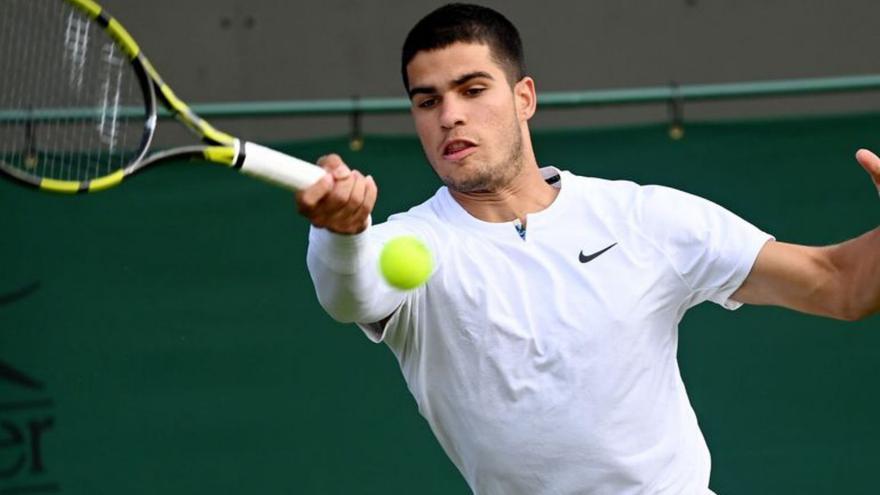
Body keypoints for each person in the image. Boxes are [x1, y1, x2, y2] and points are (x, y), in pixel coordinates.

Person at [296, 4, 880, 494]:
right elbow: (349, 294)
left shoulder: (645, 217)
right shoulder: (409, 243)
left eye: (473, 90)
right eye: (427, 102)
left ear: (524, 97)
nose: (450, 115)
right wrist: (341, 232)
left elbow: (839, 284)